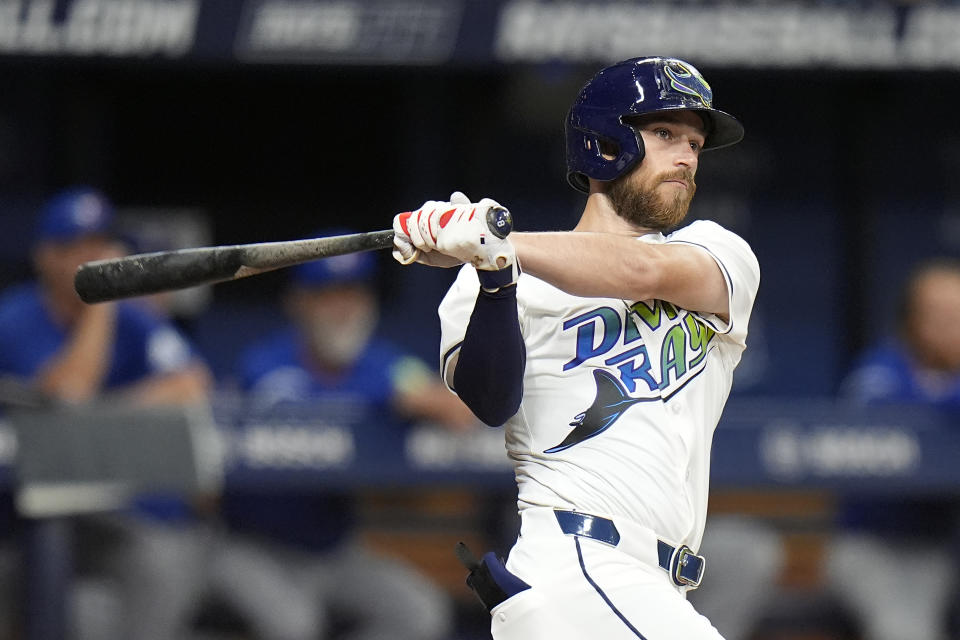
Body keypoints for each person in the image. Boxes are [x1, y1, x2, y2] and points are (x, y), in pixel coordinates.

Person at [392, 56, 760, 639]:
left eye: (694, 142)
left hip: (656, 584)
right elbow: (490, 400)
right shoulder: (496, 276)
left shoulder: (718, 252)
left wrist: (502, 243)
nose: (687, 157)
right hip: (577, 564)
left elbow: (640, 269)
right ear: (605, 144)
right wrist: (493, 275)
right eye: (665, 134)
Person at [211, 240, 477, 640]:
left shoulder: (382, 364)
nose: (343, 308)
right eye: (327, 295)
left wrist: (420, 398)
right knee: (294, 626)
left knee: (417, 611)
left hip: (333, 549)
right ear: (299, 303)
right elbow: (291, 412)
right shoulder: (267, 364)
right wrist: (377, 402)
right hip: (253, 546)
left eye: (352, 294)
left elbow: (456, 408)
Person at [0, 186, 214, 640]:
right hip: (23, 517)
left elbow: (192, 383)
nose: (90, 257)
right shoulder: (16, 319)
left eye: (98, 245)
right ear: (45, 257)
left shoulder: (132, 317)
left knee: (159, 564)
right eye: (74, 246)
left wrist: (108, 414)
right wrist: (104, 307)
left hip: (106, 512)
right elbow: (71, 393)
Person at [827, 258, 960, 640]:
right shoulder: (881, 369)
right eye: (939, 315)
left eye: (958, 315)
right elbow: (884, 409)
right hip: (870, 545)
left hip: (938, 545)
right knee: (903, 628)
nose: (951, 327)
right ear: (913, 319)